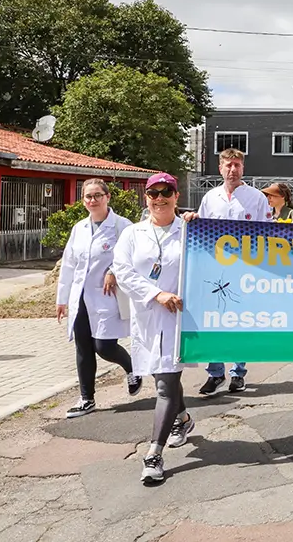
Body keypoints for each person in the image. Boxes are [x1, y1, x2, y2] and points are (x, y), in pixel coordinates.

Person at [112, 173, 194, 484]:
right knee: (163, 375)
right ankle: (183, 419)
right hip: (147, 315)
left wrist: (201, 224)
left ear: (176, 195)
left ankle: (154, 453)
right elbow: (123, 270)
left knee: (165, 383)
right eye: (153, 193)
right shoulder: (133, 234)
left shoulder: (189, 230)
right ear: (146, 197)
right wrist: (155, 294)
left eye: (166, 192)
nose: (159, 198)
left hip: (178, 318)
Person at [182, 148, 271, 397]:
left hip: (245, 268)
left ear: (243, 168)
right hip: (215, 269)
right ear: (220, 168)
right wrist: (193, 219)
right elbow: (204, 225)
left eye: (237, 165)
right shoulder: (211, 197)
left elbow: (268, 234)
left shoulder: (256, 198)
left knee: (240, 322)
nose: (232, 170)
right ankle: (215, 373)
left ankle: (238, 373)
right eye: (228, 165)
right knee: (214, 320)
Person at [56, 179, 140, 418]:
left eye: (97, 195)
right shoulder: (79, 228)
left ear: (107, 197)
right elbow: (69, 265)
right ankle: (87, 398)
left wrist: (113, 271)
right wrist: (62, 299)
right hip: (81, 296)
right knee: (83, 347)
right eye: (88, 197)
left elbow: (133, 257)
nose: (92, 200)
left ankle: (132, 367)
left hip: (107, 296)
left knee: (104, 346)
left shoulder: (122, 227)